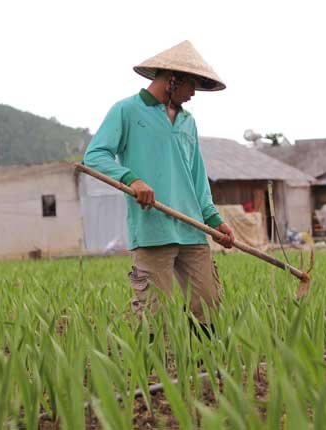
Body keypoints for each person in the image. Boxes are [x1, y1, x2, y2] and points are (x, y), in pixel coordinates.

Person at [84, 40, 235, 327]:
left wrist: (214, 219)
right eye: (191, 84)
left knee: (209, 304)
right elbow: (94, 156)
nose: (193, 93)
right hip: (152, 229)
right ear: (172, 79)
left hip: (192, 229)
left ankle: (203, 367)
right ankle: (155, 371)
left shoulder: (188, 122)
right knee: (154, 312)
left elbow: (197, 176)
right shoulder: (126, 111)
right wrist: (131, 179)